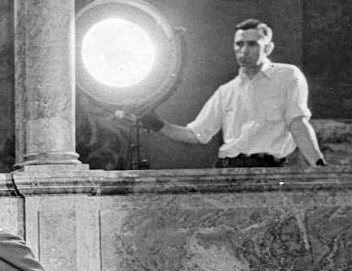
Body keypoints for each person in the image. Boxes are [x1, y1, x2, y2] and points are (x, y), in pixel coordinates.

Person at [135, 19, 326, 168]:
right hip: (229, 169)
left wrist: (319, 165)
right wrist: (157, 124)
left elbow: (297, 124)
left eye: (252, 44)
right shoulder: (226, 91)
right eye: (239, 44)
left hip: (270, 170)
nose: (244, 50)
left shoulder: (288, 75)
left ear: (268, 48)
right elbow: (197, 134)